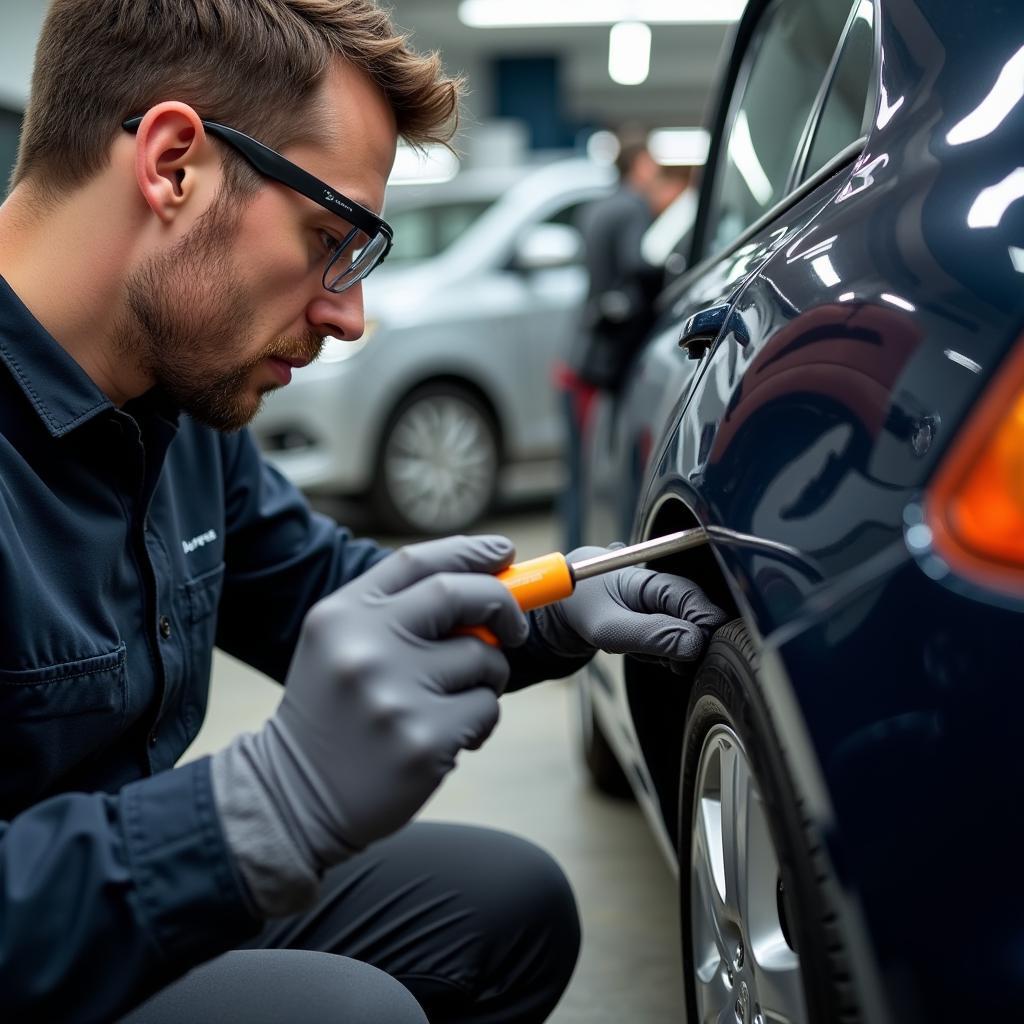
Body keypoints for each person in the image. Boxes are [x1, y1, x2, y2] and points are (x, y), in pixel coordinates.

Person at [0, 3, 727, 1022]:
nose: (348, 315)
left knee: (506, 909)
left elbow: (318, 590)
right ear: (172, 166)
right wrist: (262, 806)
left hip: (113, 894)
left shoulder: (176, 407)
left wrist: (547, 601)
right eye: (326, 239)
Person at [556, 141, 689, 550]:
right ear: (640, 165)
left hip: (580, 352)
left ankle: (574, 552)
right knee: (611, 474)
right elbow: (635, 262)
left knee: (581, 471)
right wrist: (671, 269)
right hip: (609, 358)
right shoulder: (633, 207)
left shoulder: (597, 207)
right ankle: (595, 560)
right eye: (651, 161)